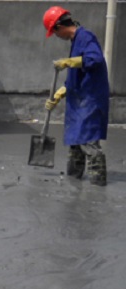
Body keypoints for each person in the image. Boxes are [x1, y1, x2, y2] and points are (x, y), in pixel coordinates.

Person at [43, 6, 110, 186]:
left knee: (88, 141)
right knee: (75, 142)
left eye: (55, 33)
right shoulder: (76, 41)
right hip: (79, 100)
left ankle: (98, 186)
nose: (56, 36)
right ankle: (74, 182)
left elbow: (94, 59)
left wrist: (69, 61)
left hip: (90, 100)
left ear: (59, 26)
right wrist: (60, 93)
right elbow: (77, 75)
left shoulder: (86, 37)